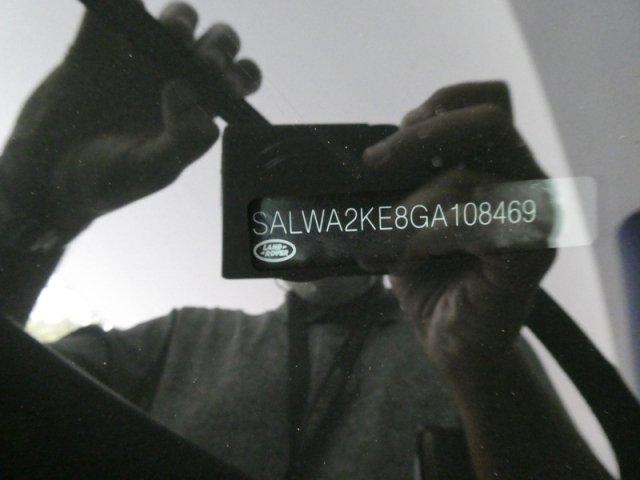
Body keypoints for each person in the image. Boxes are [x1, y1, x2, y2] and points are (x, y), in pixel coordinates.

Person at [0, 3, 613, 479]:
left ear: (389, 187)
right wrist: (27, 204)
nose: (315, 208)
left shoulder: (480, 340)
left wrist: (479, 363)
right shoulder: (181, 338)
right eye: (289, 177)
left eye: (339, 184)